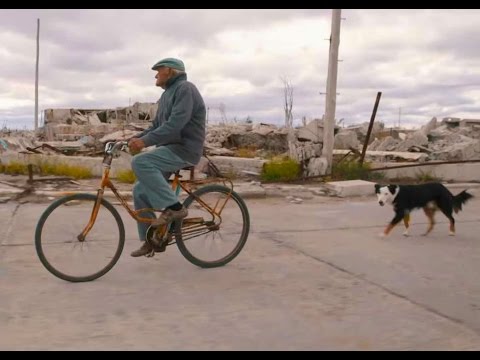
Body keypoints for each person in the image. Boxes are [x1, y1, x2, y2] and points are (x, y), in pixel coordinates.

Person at [128, 57, 206, 257]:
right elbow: (156, 127)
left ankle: (174, 207)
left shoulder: (185, 89)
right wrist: (134, 138)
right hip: (169, 149)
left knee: (140, 161)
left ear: (170, 72)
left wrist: (144, 143)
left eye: (158, 70)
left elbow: (175, 125)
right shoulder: (165, 97)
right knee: (139, 190)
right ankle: (151, 239)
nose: (155, 74)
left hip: (184, 149)